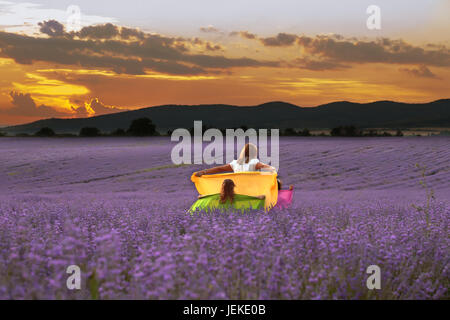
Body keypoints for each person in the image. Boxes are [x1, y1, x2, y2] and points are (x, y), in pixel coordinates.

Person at [194, 143, 276, 177]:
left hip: (237, 188)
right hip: (252, 189)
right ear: (254, 153)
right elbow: (265, 167)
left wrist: (203, 172)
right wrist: (272, 169)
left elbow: (219, 169)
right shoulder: (254, 162)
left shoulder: (235, 163)